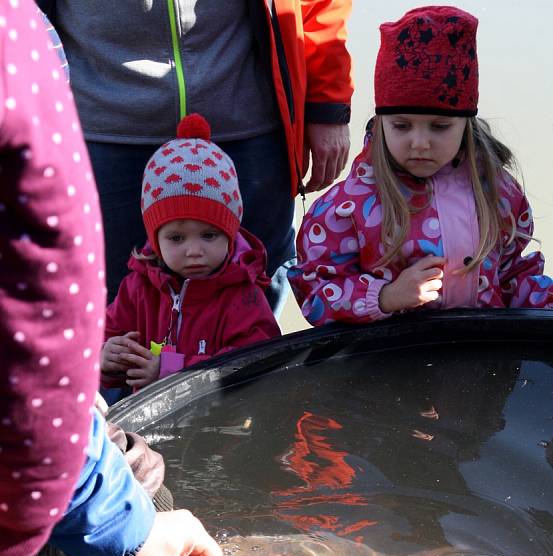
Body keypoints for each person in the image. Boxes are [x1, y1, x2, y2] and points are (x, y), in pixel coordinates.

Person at [0, 4, 225, 556]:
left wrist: (93, 454)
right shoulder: (17, 50)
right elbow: (33, 321)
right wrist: (97, 486)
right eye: (175, 239)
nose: (191, 253)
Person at [37, 1, 354, 317]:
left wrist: (326, 103)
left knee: (255, 316)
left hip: (249, 127)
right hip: (100, 133)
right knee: (115, 326)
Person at [288, 5, 553, 326]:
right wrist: (385, 296)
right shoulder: (348, 207)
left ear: (466, 124)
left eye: (439, 127)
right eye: (401, 126)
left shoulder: (497, 193)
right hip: (392, 367)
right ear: (381, 122)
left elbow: (513, 273)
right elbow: (313, 288)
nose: (420, 143)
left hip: (484, 362)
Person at [100, 113, 282, 392]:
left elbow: (253, 366)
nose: (194, 251)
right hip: (146, 430)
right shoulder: (137, 288)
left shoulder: (245, 295)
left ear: (231, 232)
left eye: (209, 235)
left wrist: (169, 371)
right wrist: (105, 358)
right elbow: (108, 344)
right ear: (154, 237)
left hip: (224, 428)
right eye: (176, 238)